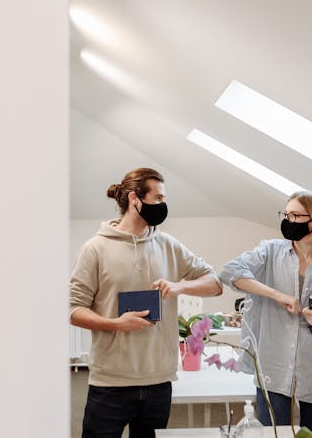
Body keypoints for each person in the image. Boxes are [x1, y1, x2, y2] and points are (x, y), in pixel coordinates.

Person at [69, 167, 223, 438]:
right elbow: (72, 309)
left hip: (158, 382)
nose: (163, 205)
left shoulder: (169, 245)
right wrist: (115, 324)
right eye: (158, 198)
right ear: (134, 199)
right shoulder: (95, 249)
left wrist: (180, 286)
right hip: (110, 383)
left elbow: (215, 283)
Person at [219, 191, 312, 438]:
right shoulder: (270, 252)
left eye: (295, 215)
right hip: (273, 368)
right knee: (271, 435)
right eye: (286, 214)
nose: (287, 220)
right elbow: (229, 272)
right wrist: (277, 295)